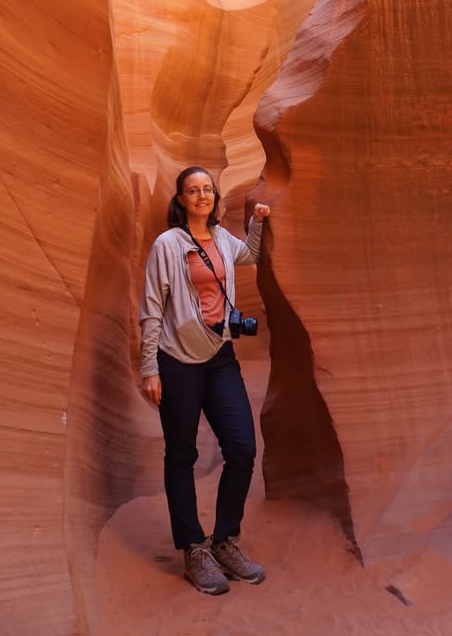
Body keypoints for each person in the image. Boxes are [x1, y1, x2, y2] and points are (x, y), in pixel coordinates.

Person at [139, 165, 270, 595]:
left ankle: (225, 540)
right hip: (176, 361)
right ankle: (194, 549)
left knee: (243, 448)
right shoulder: (168, 244)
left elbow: (248, 256)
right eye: (193, 191)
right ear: (179, 199)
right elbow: (153, 307)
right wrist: (150, 366)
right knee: (181, 455)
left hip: (220, 357)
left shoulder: (222, 238)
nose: (202, 196)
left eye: (207, 189)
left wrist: (256, 224)